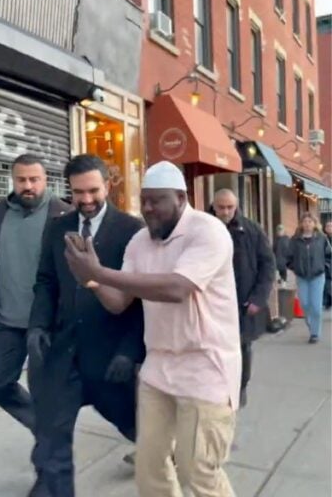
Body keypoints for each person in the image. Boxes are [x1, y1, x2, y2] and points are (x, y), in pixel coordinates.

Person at [64, 161, 241, 497]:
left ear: (180, 197)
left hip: (207, 368)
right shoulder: (140, 242)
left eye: (156, 200)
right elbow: (118, 302)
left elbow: (176, 288)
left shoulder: (208, 231)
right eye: (144, 200)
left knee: (197, 473)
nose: (147, 208)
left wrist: (99, 272)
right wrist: (87, 277)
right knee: (150, 470)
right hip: (159, 367)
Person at [25, 155, 144, 497]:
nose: (87, 200)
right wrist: (37, 326)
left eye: (93, 190)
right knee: (53, 436)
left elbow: (139, 300)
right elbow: (46, 282)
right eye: (79, 192)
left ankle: (166, 453)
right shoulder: (57, 228)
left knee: (135, 426)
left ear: (108, 185)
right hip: (63, 353)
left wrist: (129, 351)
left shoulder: (131, 231)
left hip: (111, 359)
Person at [0, 150, 70, 448]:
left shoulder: (63, 215)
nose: (28, 186)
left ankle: (50, 465)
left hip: (46, 324)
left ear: (46, 180)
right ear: (11, 180)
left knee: (45, 393)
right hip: (6, 321)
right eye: (22, 180)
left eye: (35, 179)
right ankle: (46, 432)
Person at [209, 189, 275, 407]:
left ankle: (240, 387)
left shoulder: (251, 230)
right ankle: (217, 388)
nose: (226, 211)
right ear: (214, 205)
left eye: (230, 207)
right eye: (221, 207)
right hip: (212, 303)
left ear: (236, 206)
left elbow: (268, 265)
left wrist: (258, 298)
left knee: (242, 348)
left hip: (243, 302)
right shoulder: (202, 227)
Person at [286, 213, 330, 344]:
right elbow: (288, 256)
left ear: (314, 223)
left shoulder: (321, 239)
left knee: (316, 306)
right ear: (301, 224)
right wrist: (295, 267)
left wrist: (324, 267)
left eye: (310, 221)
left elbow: (329, 255)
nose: (307, 224)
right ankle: (312, 324)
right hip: (302, 276)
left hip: (318, 276)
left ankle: (315, 333)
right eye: (305, 221)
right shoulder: (295, 240)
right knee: (305, 304)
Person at [323, 220, 332, 310]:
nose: (329, 228)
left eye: (331, 226)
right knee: (327, 284)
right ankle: (328, 302)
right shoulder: (324, 239)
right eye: (328, 226)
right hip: (328, 264)